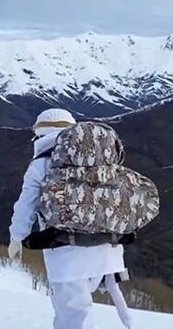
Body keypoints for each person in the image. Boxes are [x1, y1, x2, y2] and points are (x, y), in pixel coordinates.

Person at [8, 109, 130, 329]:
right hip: (107, 246)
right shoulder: (101, 156)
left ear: (39, 133)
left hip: (65, 251)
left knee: (73, 313)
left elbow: (26, 206)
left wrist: (17, 238)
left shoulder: (41, 165)